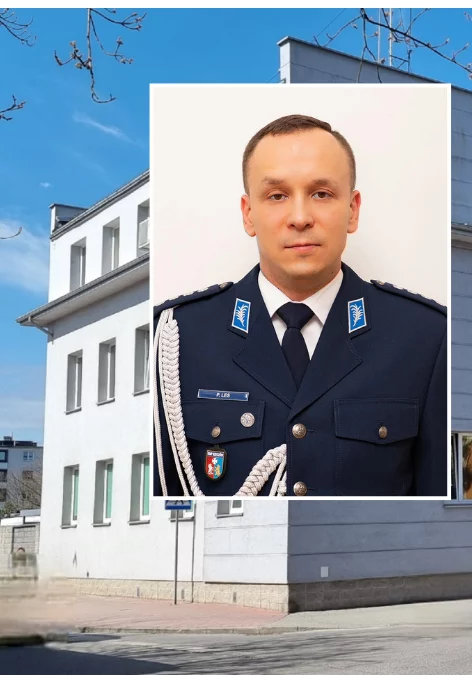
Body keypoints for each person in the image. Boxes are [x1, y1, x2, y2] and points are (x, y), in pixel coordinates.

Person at [152, 114, 446, 497]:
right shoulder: (176, 338)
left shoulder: (426, 338)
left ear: (353, 210)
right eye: (277, 196)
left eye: (321, 193)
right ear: (248, 214)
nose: (300, 218)